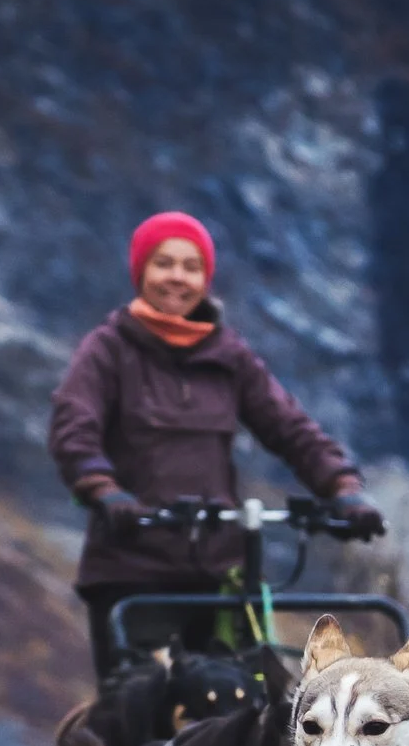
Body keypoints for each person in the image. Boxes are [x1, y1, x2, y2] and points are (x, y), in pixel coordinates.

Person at [49, 211, 384, 683]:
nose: (177, 277)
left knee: (251, 705)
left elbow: (288, 426)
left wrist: (343, 487)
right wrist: (103, 489)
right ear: (141, 270)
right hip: (132, 569)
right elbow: (73, 426)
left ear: (206, 278)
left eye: (191, 267)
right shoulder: (108, 350)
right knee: (141, 710)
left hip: (219, 575)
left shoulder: (229, 355)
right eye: (164, 263)